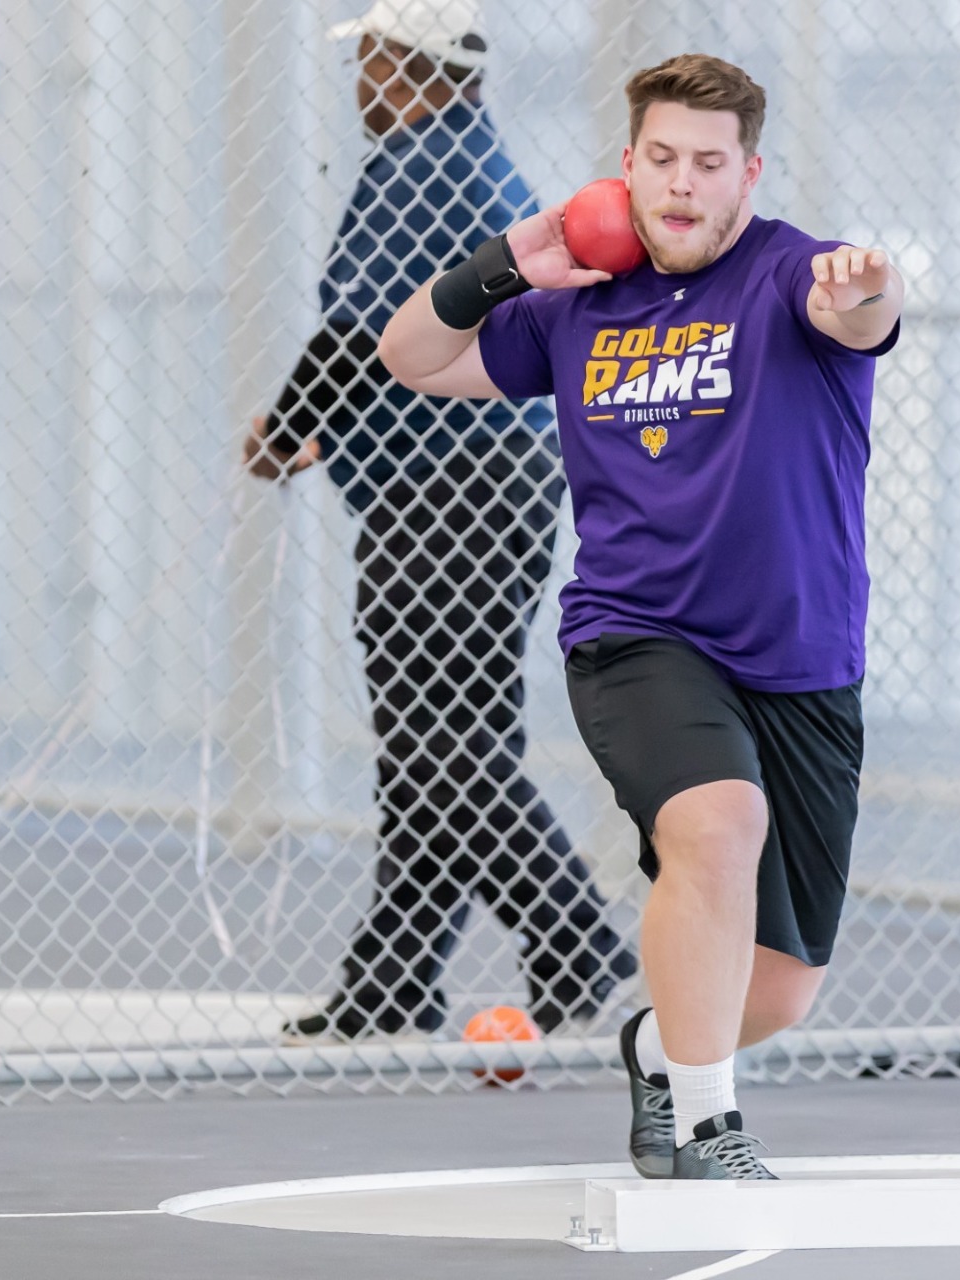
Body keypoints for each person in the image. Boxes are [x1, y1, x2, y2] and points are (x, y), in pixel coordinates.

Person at [379, 52, 902, 1178]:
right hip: (638, 633)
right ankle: (712, 1125)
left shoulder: (789, 275)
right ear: (628, 164)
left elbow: (860, 311)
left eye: (709, 165)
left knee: (781, 984)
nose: (682, 184)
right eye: (662, 158)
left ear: (746, 174)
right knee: (714, 825)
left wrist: (862, 286)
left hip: (799, 656)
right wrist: (506, 263)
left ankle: (661, 1051)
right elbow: (410, 354)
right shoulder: (576, 302)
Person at [244, 0, 635, 1041]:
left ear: (398, 62)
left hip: (448, 493)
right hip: (482, 482)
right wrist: (334, 426)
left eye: (367, 58)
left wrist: (286, 430)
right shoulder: (460, 158)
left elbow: (355, 329)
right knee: (441, 736)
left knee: (437, 738)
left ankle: (575, 938)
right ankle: (394, 976)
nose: (357, 80)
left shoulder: (421, 163)